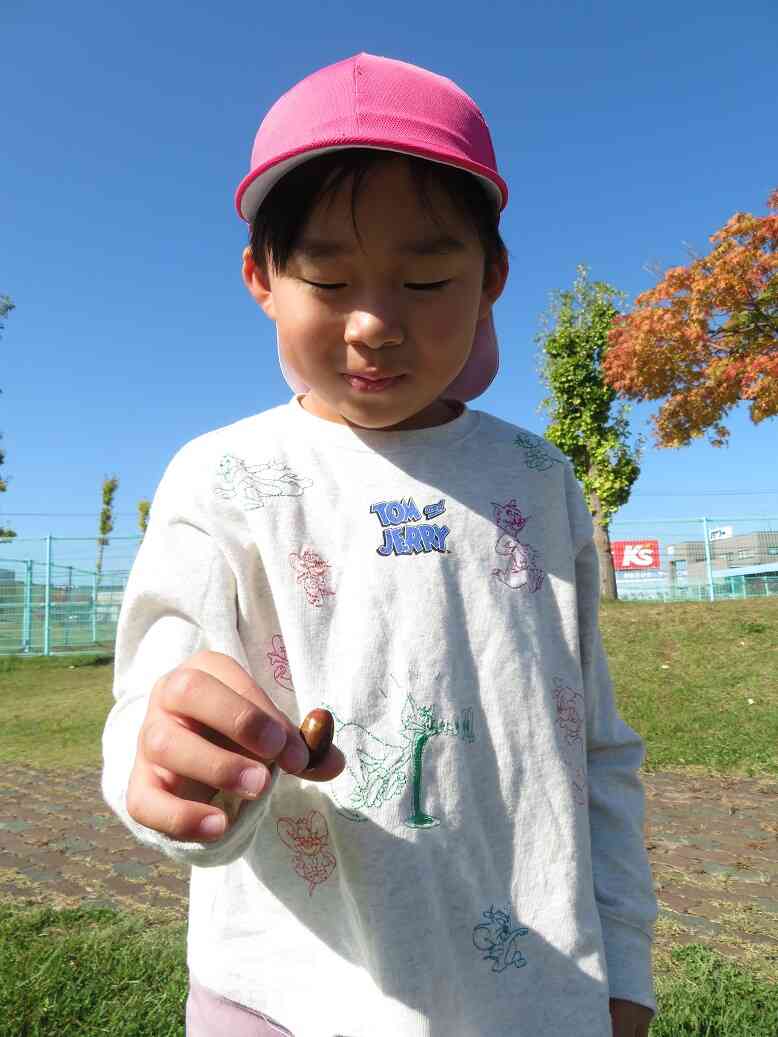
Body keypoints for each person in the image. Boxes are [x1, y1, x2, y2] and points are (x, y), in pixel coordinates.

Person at [101, 52, 658, 1037]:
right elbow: (154, 697)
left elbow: (596, 749)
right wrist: (162, 764)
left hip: (533, 994)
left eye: (427, 276)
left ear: (490, 278)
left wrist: (622, 971)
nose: (372, 322)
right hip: (283, 993)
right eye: (325, 276)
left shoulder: (541, 483)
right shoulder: (224, 476)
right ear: (260, 279)